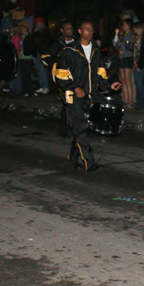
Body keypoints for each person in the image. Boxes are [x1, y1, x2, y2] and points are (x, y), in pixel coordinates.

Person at [55, 20, 121, 172]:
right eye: (87, 29)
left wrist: (109, 86)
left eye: (92, 29)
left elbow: (100, 73)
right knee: (80, 129)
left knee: (82, 129)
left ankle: (73, 157)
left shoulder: (96, 50)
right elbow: (60, 75)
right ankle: (88, 163)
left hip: (91, 96)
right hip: (74, 96)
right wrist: (75, 87)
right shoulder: (70, 51)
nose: (90, 32)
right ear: (79, 31)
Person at [116, 18, 136, 107]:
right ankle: (125, 100)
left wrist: (122, 47)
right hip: (121, 58)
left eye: (124, 25)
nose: (122, 27)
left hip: (127, 58)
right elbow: (117, 46)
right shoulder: (123, 35)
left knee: (127, 80)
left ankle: (130, 101)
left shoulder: (131, 35)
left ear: (128, 25)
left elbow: (128, 48)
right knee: (123, 80)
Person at [132, 21, 144, 110]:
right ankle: (140, 103)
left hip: (143, 65)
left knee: (139, 83)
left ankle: (142, 103)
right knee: (138, 83)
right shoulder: (138, 39)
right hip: (138, 64)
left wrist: (140, 66)